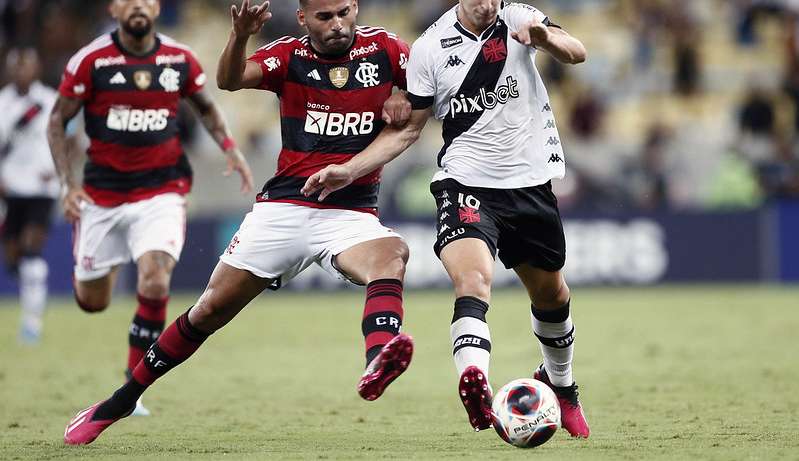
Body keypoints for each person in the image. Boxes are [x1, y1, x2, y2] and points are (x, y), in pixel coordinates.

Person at [63, 0, 414, 445]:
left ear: (356, 8)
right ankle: (120, 401)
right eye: (325, 17)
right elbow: (229, 81)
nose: (338, 25)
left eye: (345, 13)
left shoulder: (387, 50)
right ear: (304, 18)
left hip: (351, 212)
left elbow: (428, 93)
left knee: (392, 255)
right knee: (208, 310)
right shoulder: (289, 55)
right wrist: (241, 34)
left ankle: (379, 359)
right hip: (285, 207)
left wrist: (406, 97)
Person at [302, 0, 590, 437]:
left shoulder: (518, 17)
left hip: (529, 184)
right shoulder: (431, 47)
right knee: (472, 281)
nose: (487, 3)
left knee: (551, 295)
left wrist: (545, 36)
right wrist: (350, 169)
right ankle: (475, 381)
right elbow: (409, 128)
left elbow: (576, 52)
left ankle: (563, 388)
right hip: (465, 182)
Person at [48, 0, 254, 417]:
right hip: (101, 196)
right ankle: (96, 260)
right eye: (129, 0)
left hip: (162, 190)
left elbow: (206, 106)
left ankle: (132, 385)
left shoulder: (178, 59)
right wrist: (67, 185)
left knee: (157, 280)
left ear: (157, 9)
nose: (138, 5)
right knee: (92, 302)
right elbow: (57, 121)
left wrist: (230, 148)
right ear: (114, 8)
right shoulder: (90, 61)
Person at [0, 47, 60, 343]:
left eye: (27, 66)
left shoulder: (49, 101)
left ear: (36, 69)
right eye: (16, 66)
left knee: (32, 251)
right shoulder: (2, 103)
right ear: (10, 69)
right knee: (14, 258)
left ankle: (31, 323)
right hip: (11, 188)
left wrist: (59, 169)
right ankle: (31, 292)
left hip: (41, 187)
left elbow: (69, 137)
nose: (21, 71)